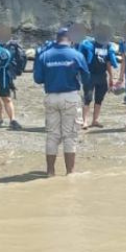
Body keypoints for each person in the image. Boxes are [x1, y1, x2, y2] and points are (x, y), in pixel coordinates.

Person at [33, 27, 90, 176]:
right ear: (70, 39)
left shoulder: (44, 55)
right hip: (70, 96)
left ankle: (50, 171)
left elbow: (38, 79)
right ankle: (70, 173)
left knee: (52, 135)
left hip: (51, 97)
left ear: (56, 39)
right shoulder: (76, 55)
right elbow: (86, 77)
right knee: (69, 136)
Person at [79, 24, 119, 129]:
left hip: (102, 76)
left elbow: (108, 63)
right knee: (87, 98)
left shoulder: (107, 46)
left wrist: (111, 77)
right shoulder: (88, 45)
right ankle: (85, 122)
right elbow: (80, 60)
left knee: (99, 99)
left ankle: (95, 120)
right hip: (90, 76)